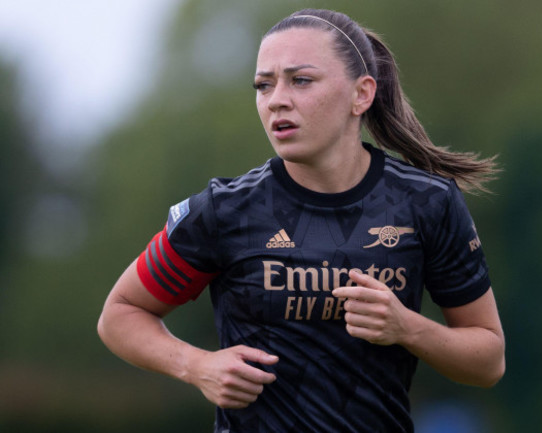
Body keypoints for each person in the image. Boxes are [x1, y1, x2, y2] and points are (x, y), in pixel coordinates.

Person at [97, 8, 505, 433]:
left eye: (301, 80)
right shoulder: (224, 209)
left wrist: (408, 327)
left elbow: (488, 361)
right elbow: (121, 314)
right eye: (263, 85)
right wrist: (198, 365)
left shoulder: (427, 202)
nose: (276, 100)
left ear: (361, 94)